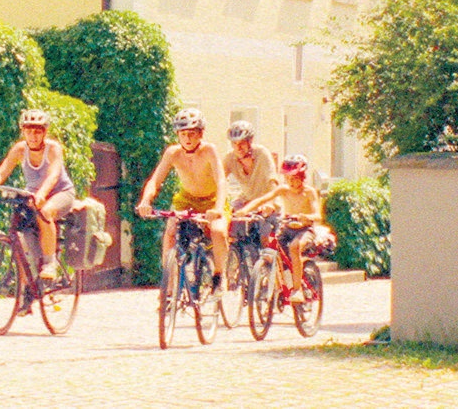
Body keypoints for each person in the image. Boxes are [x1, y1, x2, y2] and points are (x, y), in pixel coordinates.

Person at [0, 109, 77, 281]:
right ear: (23, 131)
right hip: (33, 195)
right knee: (22, 230)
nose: (33, 136)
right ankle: (29, 285)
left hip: (61, 193)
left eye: (37, 131)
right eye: (29, 131)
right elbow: (1, 172)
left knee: (45, 212)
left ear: (45, 132)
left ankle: (50, 264)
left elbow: (53, 175)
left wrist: (42, 194)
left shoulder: (53, 148)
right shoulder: (20, 149)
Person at [135, 108, 229, 298]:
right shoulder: (173, 153)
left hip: (212, 200)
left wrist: (218, 208)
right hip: (186, 200)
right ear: (177, 134)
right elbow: (155, 181)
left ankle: (220, 275)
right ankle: (168, 287)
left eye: (192, 134)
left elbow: (221, 180)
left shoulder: (209, 150)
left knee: (218, 231)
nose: (187, 138)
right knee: (170, 232)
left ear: (200, 134)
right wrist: (146, 200)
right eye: (183, 134)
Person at [245, 154, 321, 303]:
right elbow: (262, 199)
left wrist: (306, 217)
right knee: (271, 250)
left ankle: (298, 290)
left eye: (295, 178)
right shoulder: (283, 190)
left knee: (294, 247)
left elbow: (318, 215)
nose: (291, 182)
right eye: (288, 179)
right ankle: (279, 285)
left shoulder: (309, 192)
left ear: (303, 177)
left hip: (305, 230)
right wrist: (244, 210)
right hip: (287, 228)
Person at [224, 120, 280, 257]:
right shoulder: (230, 158)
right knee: (229, 231)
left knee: (265, 239)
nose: (238, 147)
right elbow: (218, 180)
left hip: (267, 203)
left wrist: (269, 203)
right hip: (246, 202)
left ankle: (268, 266)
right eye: (234, 143)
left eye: (242, 143)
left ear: (250, 141)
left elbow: (272, 180)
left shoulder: (262, 154)